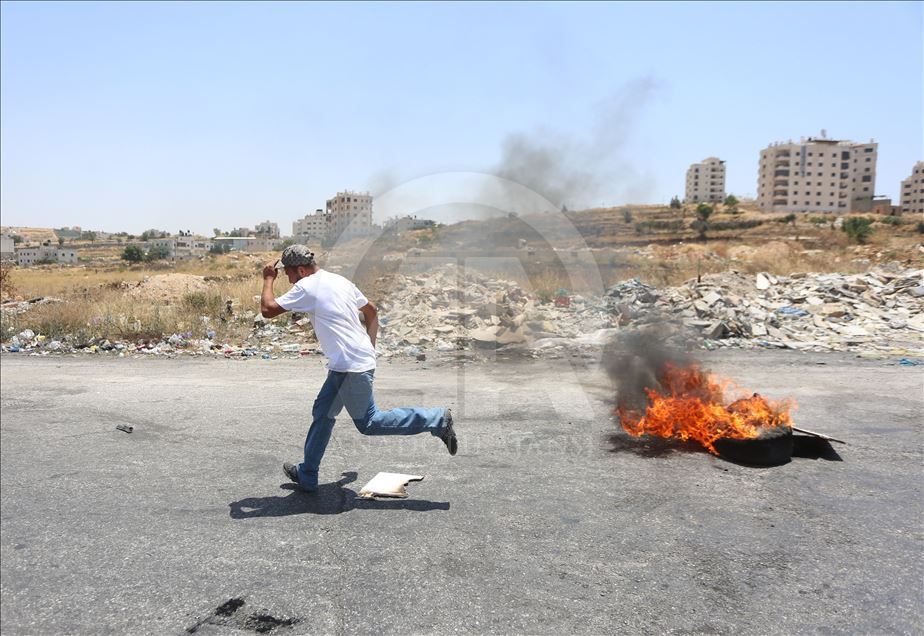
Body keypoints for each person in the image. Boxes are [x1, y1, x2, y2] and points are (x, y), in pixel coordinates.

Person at [260, 245, 457, 492]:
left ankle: (437, 420)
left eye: (288, 274)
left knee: (370, 423)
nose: (287, 279)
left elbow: (267, 310)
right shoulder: (339, 281)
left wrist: (268, 279)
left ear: (300, 269)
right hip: (347, 364)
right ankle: (307, 475)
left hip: (350, 366)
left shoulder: (307, 286)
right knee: (323, 413)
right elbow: (371, 311)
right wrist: (368, 349)